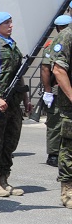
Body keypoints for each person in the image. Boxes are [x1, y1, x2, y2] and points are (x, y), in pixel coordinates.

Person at [0, 12, 28, 197]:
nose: (10, 25)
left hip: (14, 101)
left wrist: (26, 98)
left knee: (10, 142)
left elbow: (19, 74)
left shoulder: (12, 44)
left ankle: (4, 179)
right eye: (6, 23)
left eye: (11, 22)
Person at [41, 15, 72, 167]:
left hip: (65, 87)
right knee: (54, 122)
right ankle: (53, 153)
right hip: (56, 88)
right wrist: (47, 90)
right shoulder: (53, 44)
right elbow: (46, 69)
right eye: (63, 26)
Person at [49, 20, 72, 206]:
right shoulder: (66, 35)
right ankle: (68, 191)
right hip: (70, 106)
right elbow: (58, 70)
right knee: (70, 148)